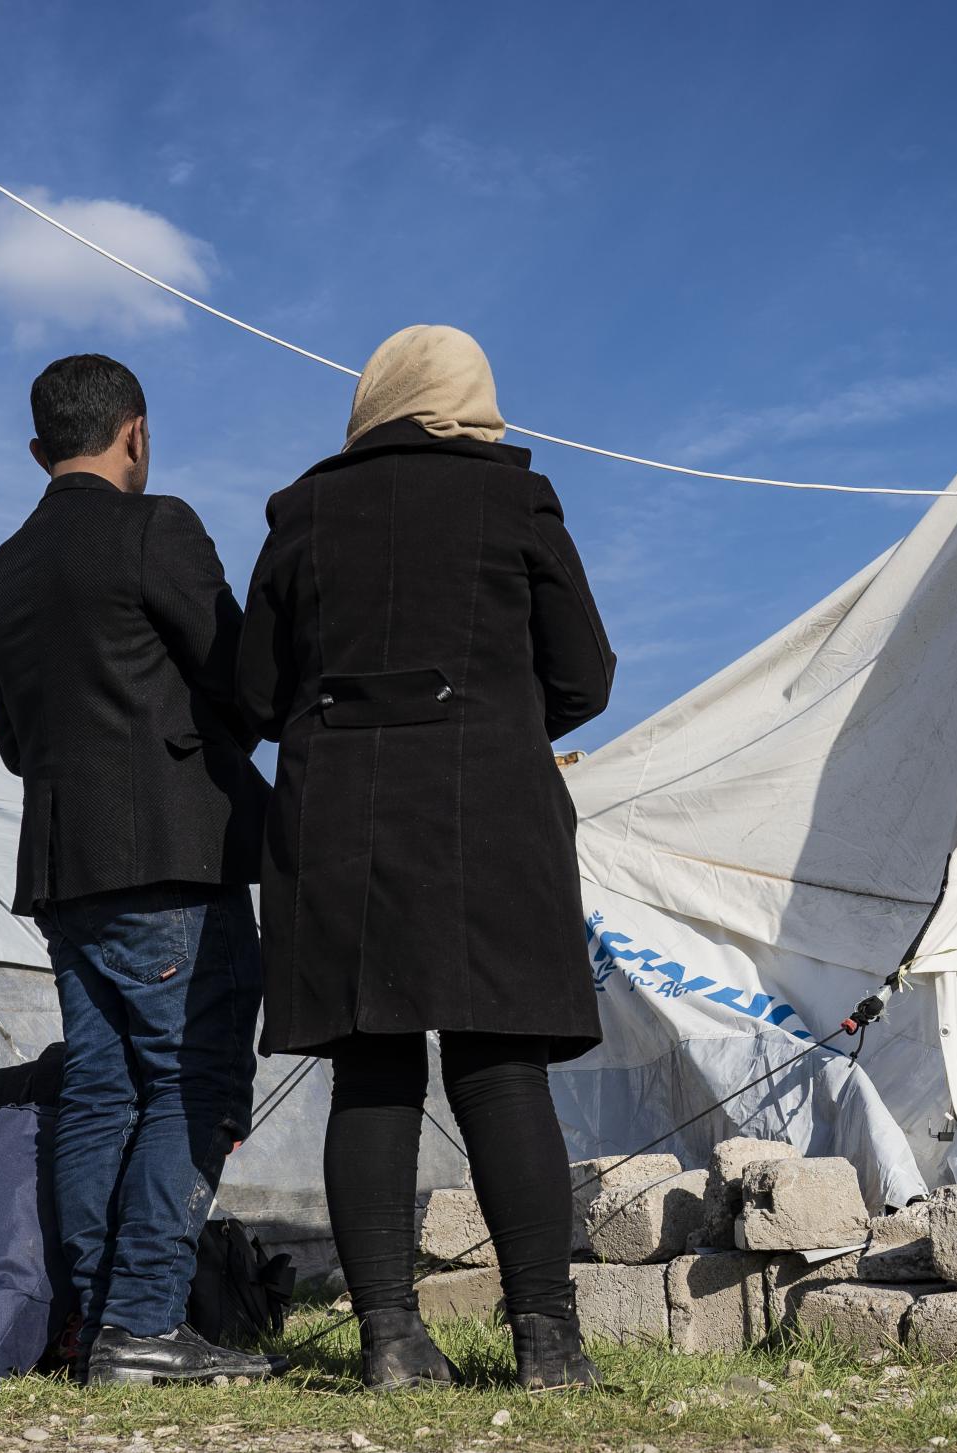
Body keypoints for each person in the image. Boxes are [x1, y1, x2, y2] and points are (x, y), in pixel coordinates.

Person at [239, 324, 616, 1391]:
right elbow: (584, 675)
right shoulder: (517, 499)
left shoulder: (302, 512)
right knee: (501, 1065)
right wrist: (491, 718)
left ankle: (391, 1339)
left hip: (338, 820)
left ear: (372, 400)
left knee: (371, 1066)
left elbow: (254, 691)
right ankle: (547, 1339)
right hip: (487, 809)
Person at [0, 353, 273, 1386]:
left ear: (38, 450)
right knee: (193, 1082)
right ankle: (143, 1322)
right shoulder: (157, 527)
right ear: (136, 432)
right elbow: (242, 679)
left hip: (65, 866)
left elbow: (13, 742)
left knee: (102, 1091)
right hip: (172, 856)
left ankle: (99, 1326)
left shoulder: (2, 570)